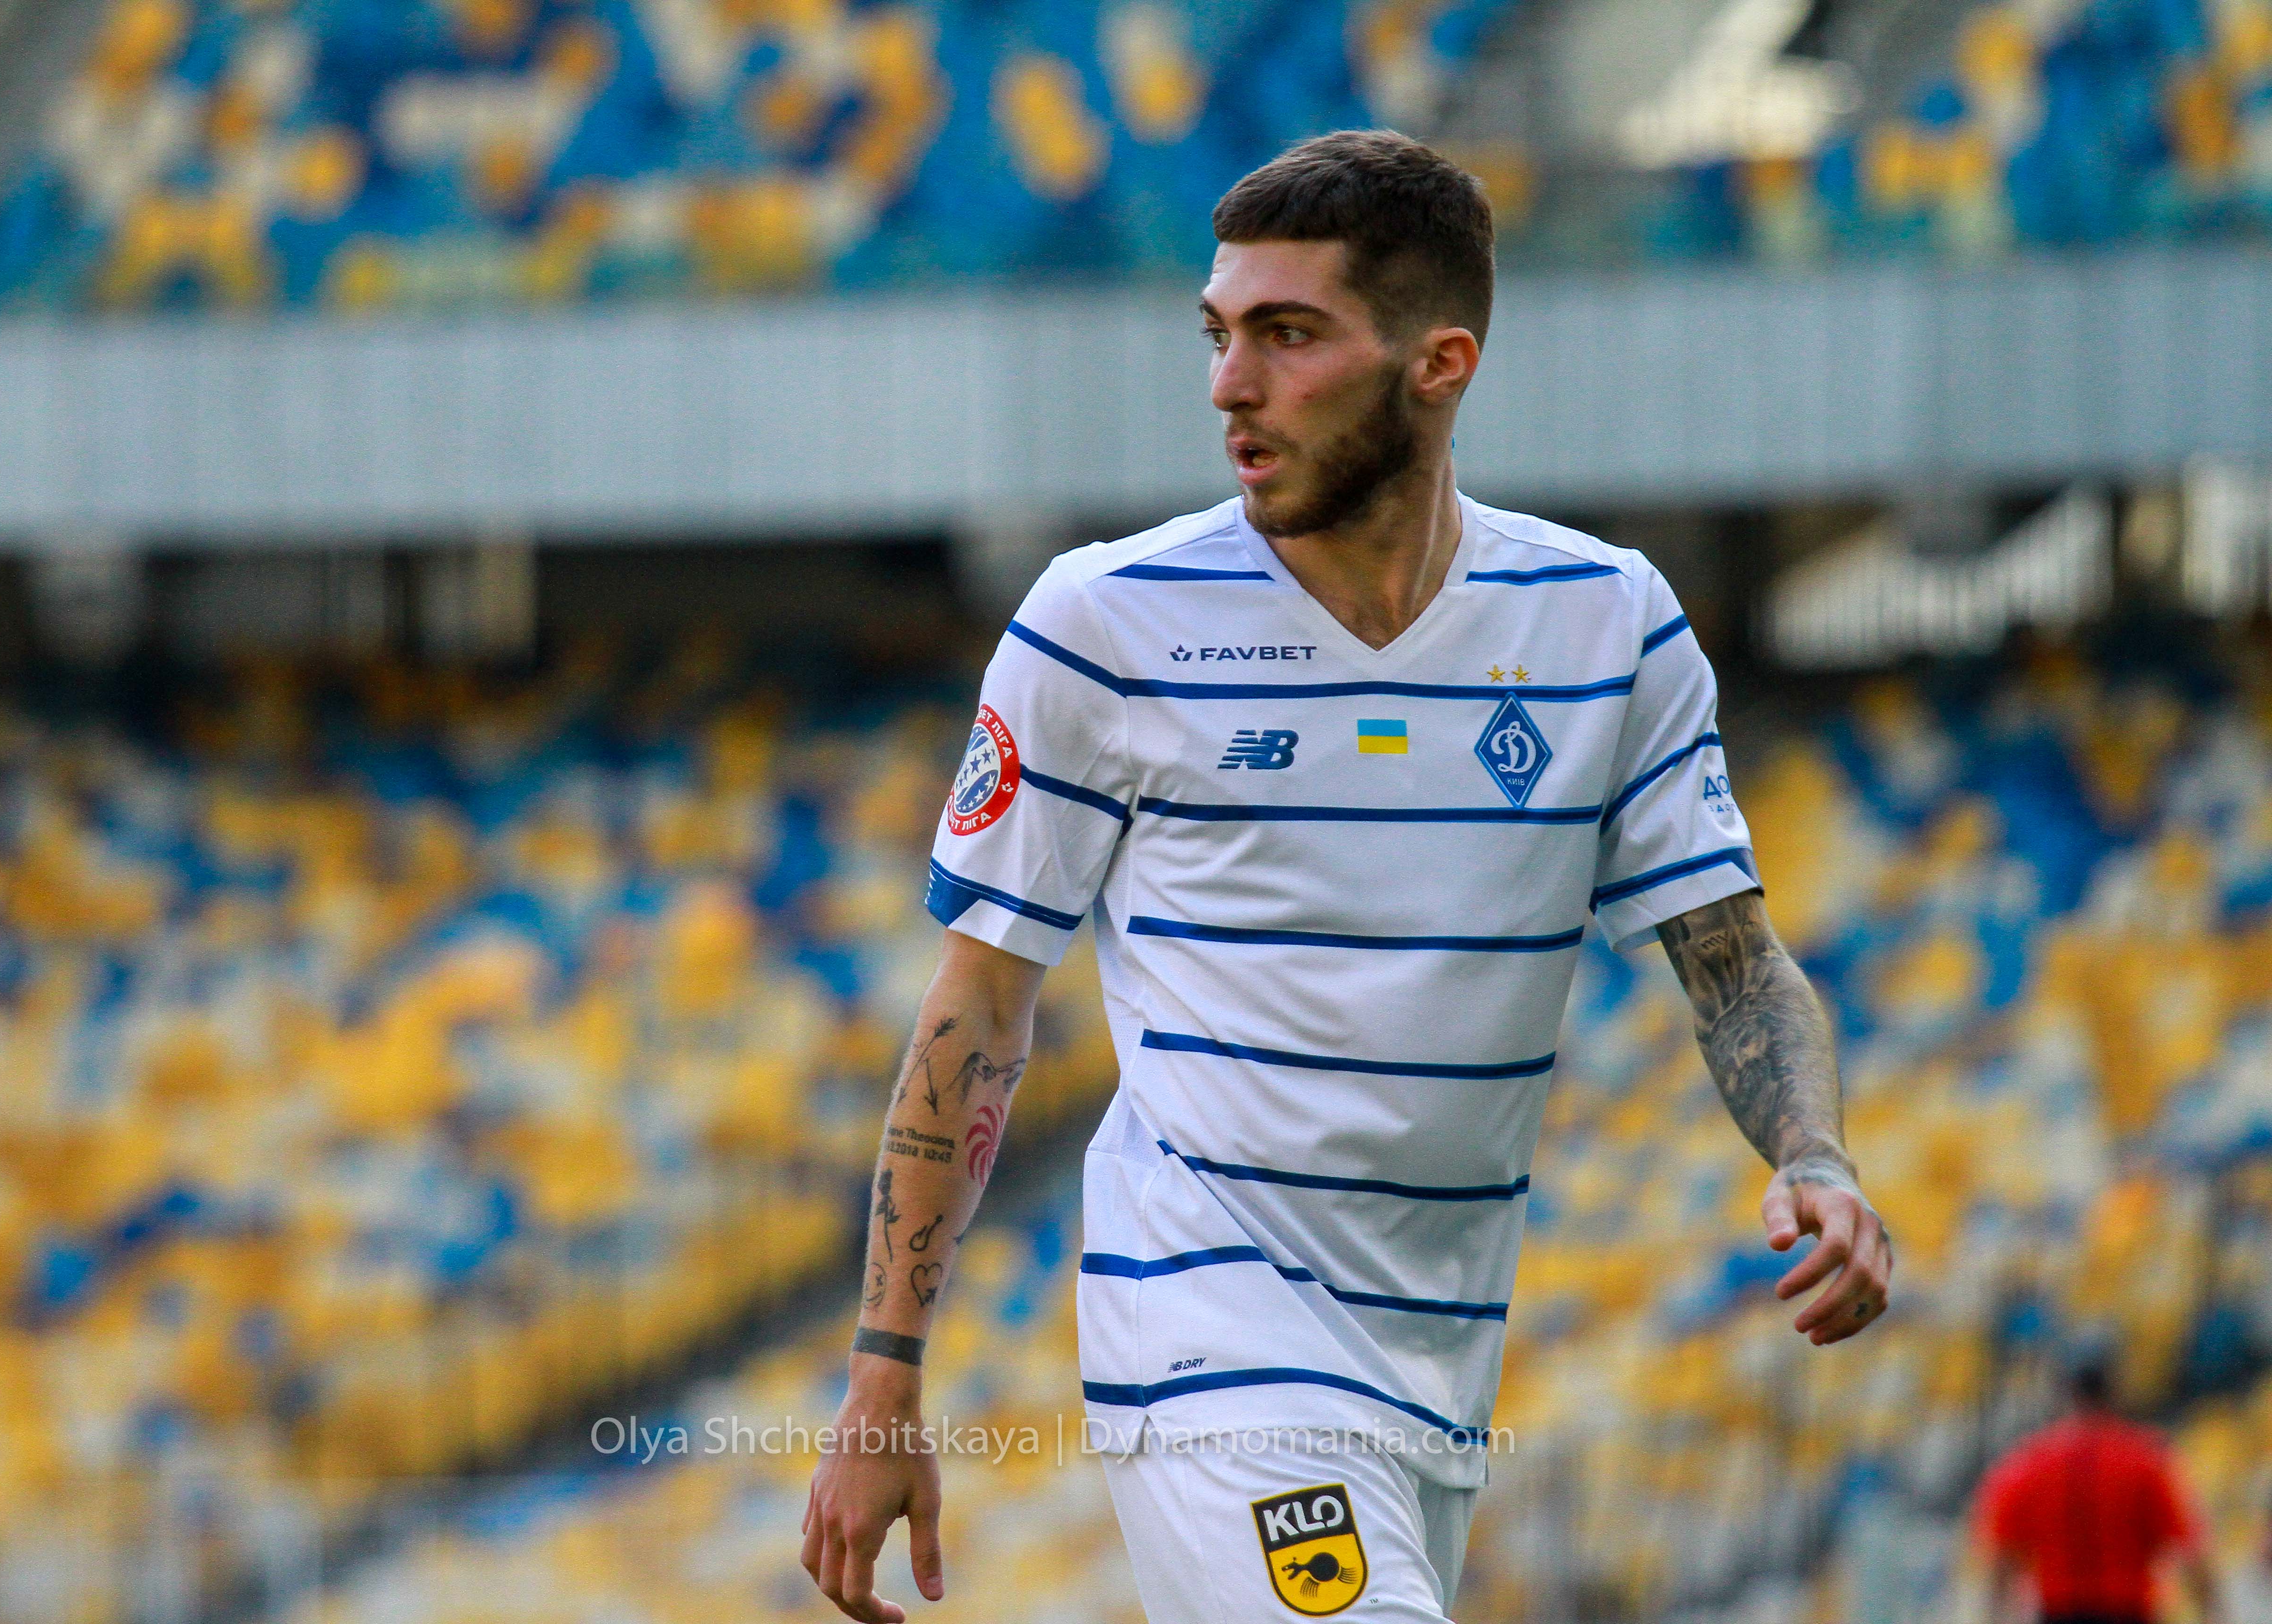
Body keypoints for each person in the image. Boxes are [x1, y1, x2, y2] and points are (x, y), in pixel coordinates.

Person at [800, 128, 1893, 1624]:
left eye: (1288, 335)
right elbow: (979, 1012)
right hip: (1206, 1338)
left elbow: (1736, 962)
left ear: (1439, 365)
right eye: (1219, 334)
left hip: (1440, 1369)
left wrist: (1816, 1157)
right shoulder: (1102, 625)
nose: (1230, 386)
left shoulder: (1607, 625)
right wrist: (884, 1375)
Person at [1969, 1345, 2220, 1624]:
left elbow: (2001, 1561)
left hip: (2058, 1613)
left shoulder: (2028, 1462)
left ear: (2063, 1392)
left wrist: (1993, 1615)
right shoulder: (2144, 1459)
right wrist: (2214, 1615)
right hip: (2129, 1612)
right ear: (2113, 1392)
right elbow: (2190, 1551)